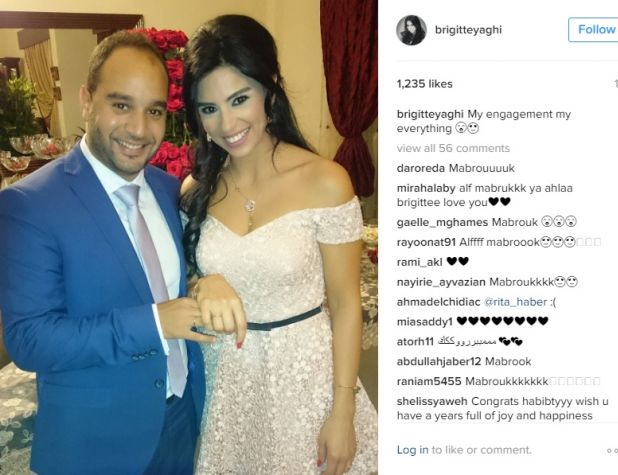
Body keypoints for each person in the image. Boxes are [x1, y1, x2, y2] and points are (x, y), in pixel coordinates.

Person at [0, 31, 245, 475]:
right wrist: (154, 323)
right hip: (96, 443)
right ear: (86, 101)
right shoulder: (31, 204)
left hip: (181, 420)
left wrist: (203, 281)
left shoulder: (169, 190)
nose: (139, 129)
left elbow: (170, 278)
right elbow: (30, 340)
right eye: (121, 105)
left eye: (154, 111)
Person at [181, 15, 378, 474]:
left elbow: (346, 305)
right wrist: (202, 282)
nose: (227, 123)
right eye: (209, 108)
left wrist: (343, 410)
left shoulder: (326, 181)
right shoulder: (195, 191)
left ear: (269, 89)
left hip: (306, 384)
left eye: (239, 99)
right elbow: (181, 278)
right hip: (227, 386)